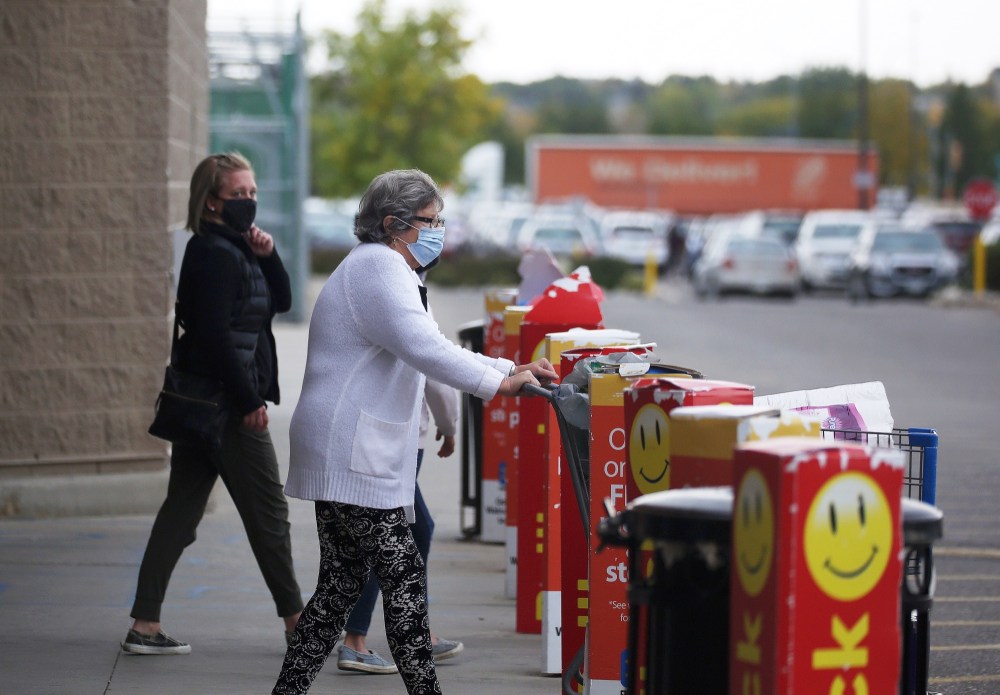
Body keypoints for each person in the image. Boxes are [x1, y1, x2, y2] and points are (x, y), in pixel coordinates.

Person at [272, 169, 558, 695]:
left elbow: (433, 344)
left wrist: (507, 370)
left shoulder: (384, 268)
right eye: (430, 221)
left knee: (339, 587)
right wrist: (506, 384)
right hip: (350, 449)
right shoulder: (379, 268)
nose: (439, 230)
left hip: (344, 446)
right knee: (402, 585)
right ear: (394, 224)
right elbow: (427, 351)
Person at [123, 152, 303, 655]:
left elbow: (282, 302)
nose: (248, 202)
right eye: (238, 195)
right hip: (227, 407)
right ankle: (297, 623)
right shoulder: (215, 255)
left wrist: (267, 254)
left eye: (253, 193)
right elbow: (215, 337)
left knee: (181, 511)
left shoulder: (234, 248)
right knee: (269, 514)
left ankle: (145, 625)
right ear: (210, 202)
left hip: (209, 405)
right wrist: (249, 401)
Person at [336, 375, 463, 675]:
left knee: (418, 528)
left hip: (363, 431)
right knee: (386, 533)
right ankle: (356, 641)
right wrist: (448, 426)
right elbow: (437, 373)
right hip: (397, 438)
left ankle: (415, 633)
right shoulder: (412, 323)